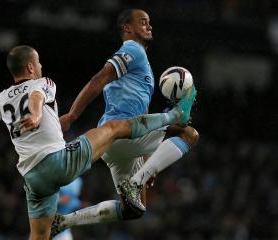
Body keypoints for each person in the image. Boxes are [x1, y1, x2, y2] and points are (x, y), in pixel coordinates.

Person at [0, 45, 195, 240]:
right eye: (38, 62)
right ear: (30, 66)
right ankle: (174, 115)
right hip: (58, 161)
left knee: (39, 235)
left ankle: (63, 222)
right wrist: (37, 114)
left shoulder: (1, 98)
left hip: (32, 177)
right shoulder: (43, 82)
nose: (40, 66)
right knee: (114, 128)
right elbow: (37, 96)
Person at [52, 8, 199, 235]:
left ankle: (63, 222)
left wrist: (151, 166)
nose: (149, 26)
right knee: (189, 134)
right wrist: (72, 115)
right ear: (127, 28)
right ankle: (137, 180)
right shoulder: (133, 50)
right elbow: (100, 78)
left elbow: (146, 120)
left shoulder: (142, 67)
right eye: (143, 22)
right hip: (119, 131)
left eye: (149, 22)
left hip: (117, 145)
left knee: (134, 209)